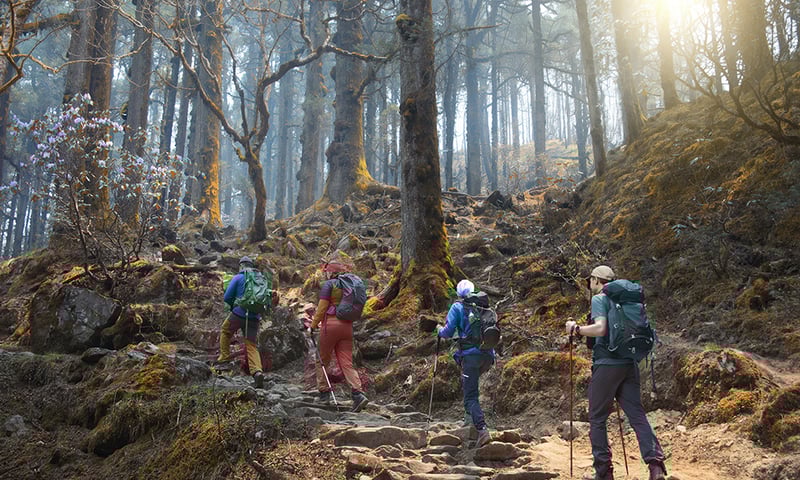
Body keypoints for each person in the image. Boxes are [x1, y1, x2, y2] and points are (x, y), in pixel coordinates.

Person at [565, 265, 667, 480]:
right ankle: (656, 466)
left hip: (607, 364)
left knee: (597, 418)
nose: (589, 284)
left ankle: (604, 473)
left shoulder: (600, 299)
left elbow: (600, 329)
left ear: (595, 280)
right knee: (637, 414)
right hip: (629, 363)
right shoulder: (628, 301)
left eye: (590, 280)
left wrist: (576, 329)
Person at [437, 279, 494, 449]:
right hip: (488, 356)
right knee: (471, 387)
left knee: (470, 396)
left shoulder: (458, 307)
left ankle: (482, 429)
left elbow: (447, 332)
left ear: (458, 293)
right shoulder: (484, 306)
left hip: (470, 356)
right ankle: (469, 420)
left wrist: (439, 330)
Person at [310, 259, 369, 412]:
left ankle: (324, 394)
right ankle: (358, 393)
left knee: (321, 360)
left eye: (327, 271)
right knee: (346, 363)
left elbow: (322, 308)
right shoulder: (350, 285)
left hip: (330, 326)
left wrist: (313, 325)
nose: (325, 274)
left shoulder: (329, 285)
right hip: (347, 327)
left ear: (331, 272)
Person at [218, 256, 266, 389]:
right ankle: (257, 372)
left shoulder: (239, 277)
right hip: (255, 317)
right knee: (251, 345)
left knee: (225, 331)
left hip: (239, 313)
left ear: (241, 266)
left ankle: (224, 358)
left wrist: (233, 307)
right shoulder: (260, 278)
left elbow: (227, 296)